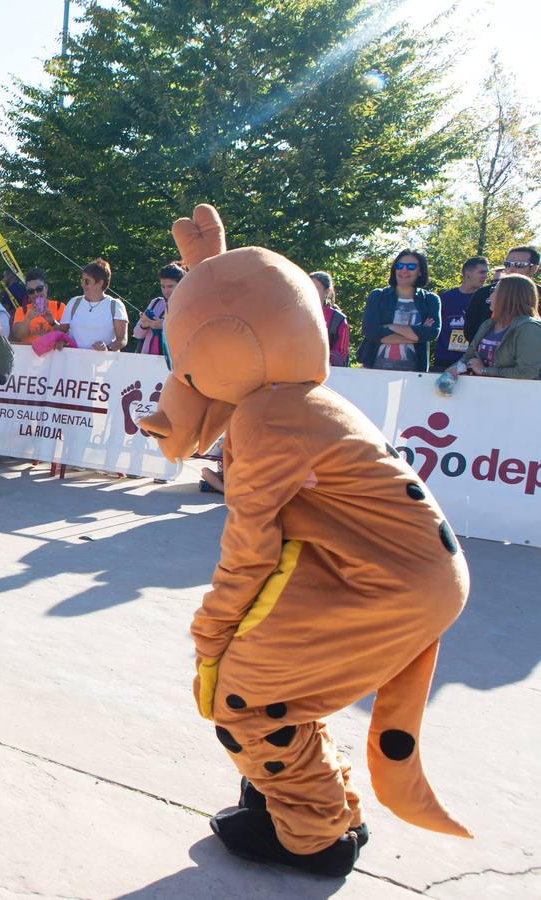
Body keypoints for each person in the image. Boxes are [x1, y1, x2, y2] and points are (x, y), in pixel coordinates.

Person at [135, 203, 469, 878]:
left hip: (389, 582)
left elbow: (250, 546)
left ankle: (316, 834)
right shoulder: (295, 396)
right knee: (285, 681)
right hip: (398, 571)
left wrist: (213, 627)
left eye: (193, 362)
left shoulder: (266, 417)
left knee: (242, 694)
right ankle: (326, 802)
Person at [357, 249, 440, 372]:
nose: (404, 270)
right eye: (400, 265)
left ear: (420, 271)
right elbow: (370, 331)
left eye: (411, 266)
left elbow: (432, 333)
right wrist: (417, 336)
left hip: (415, 374)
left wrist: (390, 326)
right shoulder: (378, 296)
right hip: (374, 370)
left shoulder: (430, 300)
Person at [459, 273, 541, 380]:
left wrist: (485, 371)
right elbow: (468, 357)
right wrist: (452, 371)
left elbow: (527, 372)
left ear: (508, 296)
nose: (489, 297)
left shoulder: (529, 328)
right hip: (482, 392)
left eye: (494, 291)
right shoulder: (488, 324)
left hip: (513, 395)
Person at [463, 245, 538, 344]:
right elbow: (470, 331)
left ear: (534, 269)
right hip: (482, 356)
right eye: (508, 264)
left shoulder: (539, 294)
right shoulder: (483, 293)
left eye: (519, 264)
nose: (511, 269)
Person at [56, 259, 128, 351]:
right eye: (82, 280)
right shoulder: (74, 303)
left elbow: (122, 339)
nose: (82, 284)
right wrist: (61, 340)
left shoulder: (115, 305)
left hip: (103, 362)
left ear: (99, 283)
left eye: (87, 281)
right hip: (74, 362)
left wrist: (107, 348)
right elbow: (62, 331)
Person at [433, 256, 489, 371]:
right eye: (482, 272)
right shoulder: (445, 298)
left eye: (486, 273)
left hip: (473, 361)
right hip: (444, 359)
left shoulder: (487, 299)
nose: (485, 277)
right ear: (468, 274)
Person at [134, 263, 184, 357]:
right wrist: (144, 325)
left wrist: (163, 325)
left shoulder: (186, 306)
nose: (165, 291)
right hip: (147, 360)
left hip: (173, 363)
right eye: (162, 286)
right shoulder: (155, 303)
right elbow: (137, 334)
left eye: (170, 286)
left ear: (181, 284)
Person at [10, 269, 66, 346]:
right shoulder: (22, 310)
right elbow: (18, 335)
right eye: (31, 291)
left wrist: (53, 322)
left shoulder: (59, 306)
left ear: (46, 287)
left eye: (39, 289)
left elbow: (66, 332)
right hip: (29, 356)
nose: (36, 294)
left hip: (54, 355)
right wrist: (28, 318)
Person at [310, 271, 349, 367]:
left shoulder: (338, 319)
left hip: (328, 373)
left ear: (326, 291)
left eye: (315, 288)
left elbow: (341, 353)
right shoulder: (295, 313)